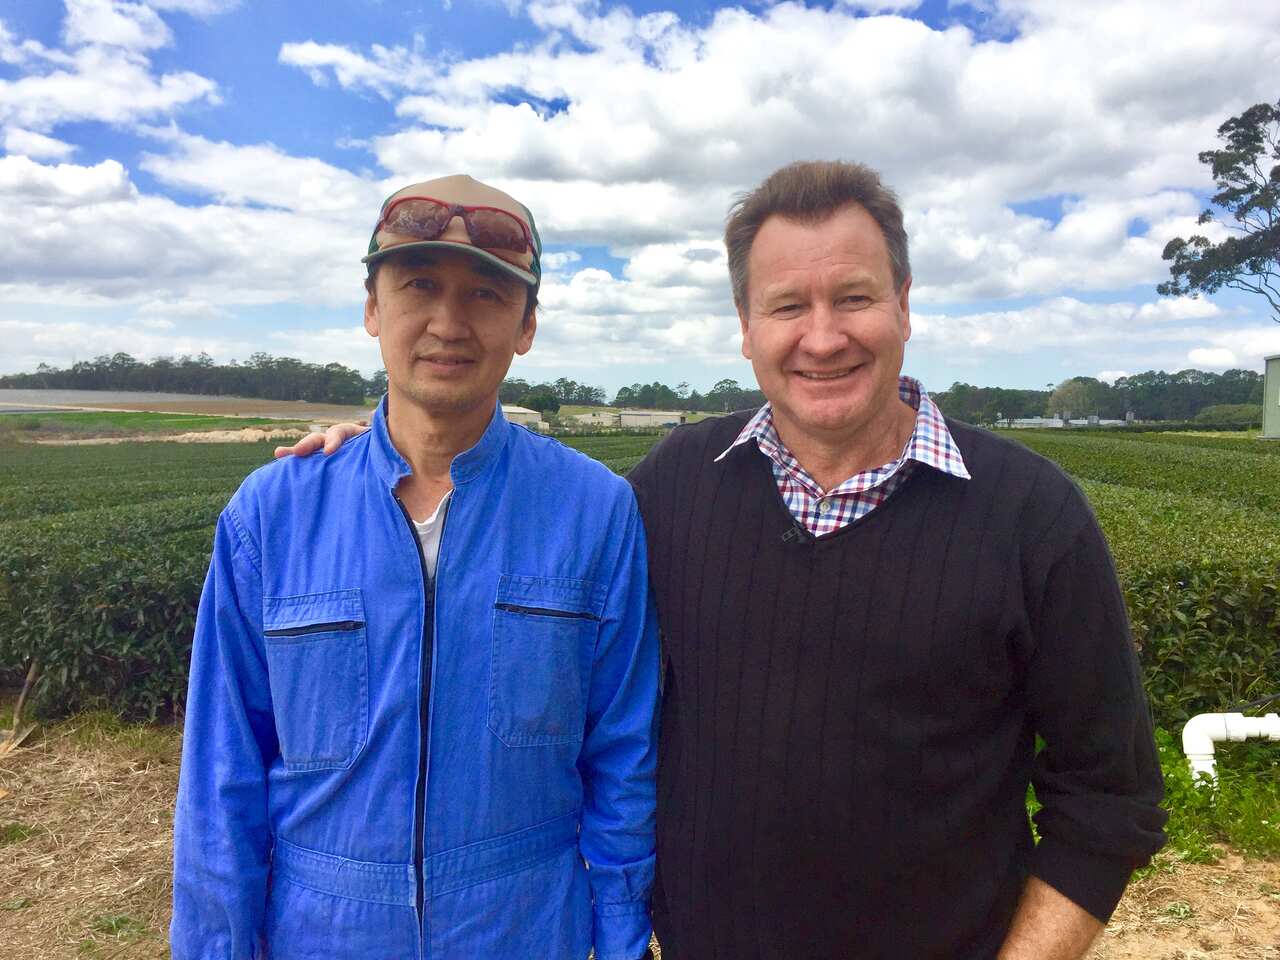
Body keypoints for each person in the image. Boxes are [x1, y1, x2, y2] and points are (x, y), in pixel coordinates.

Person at [286, 160, 1167, 959]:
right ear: (746, 327)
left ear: (904, 302)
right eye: (787, 306)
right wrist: (382, 453)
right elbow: (531, 522)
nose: (822, 338)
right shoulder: (675, 484)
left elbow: (1108, 800)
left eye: (853, 298)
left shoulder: (1031, 514)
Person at [173, 175, 659, 960]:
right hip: (322, 932)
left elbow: (622, 758)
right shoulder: (273, 515)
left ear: (527, 325)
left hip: (527, 928)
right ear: (372, 308)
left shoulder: (595, 511)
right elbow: (221, 778)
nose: (447, 322)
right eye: (419, 286)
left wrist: (622, 938)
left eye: (486, 296)